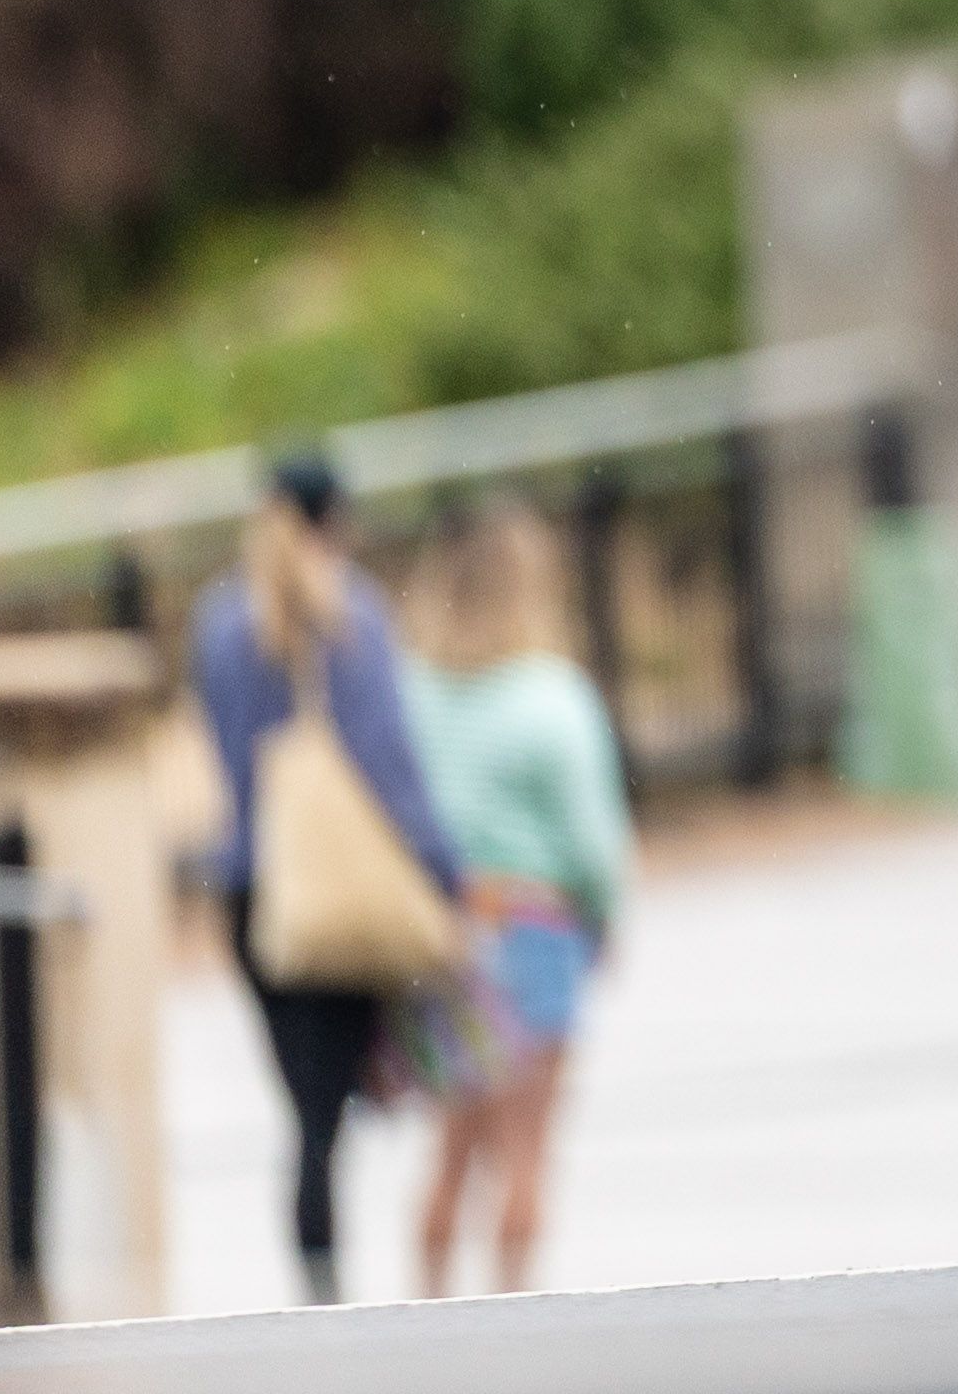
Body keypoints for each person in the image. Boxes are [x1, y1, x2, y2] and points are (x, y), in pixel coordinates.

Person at [190, 453, 462, 1305]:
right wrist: (443, 873)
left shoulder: (218, 622)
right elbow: (387, 763)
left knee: (304, 1106)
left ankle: (318, 1281)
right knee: (322, 1112)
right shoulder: (353, 615)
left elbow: (220, 757)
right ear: (334, 519)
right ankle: (323, 1294)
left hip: (251, 890)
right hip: (334, 887)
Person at [399, 502, 629, 1297]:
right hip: (537, 927)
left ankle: (427, 1321)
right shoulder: (552, 696)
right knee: (527, 1155)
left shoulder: (415, 693)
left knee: (451, 1152)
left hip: (449, 932)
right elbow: (593, 844)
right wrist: (605, 918)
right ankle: (514, 1316)